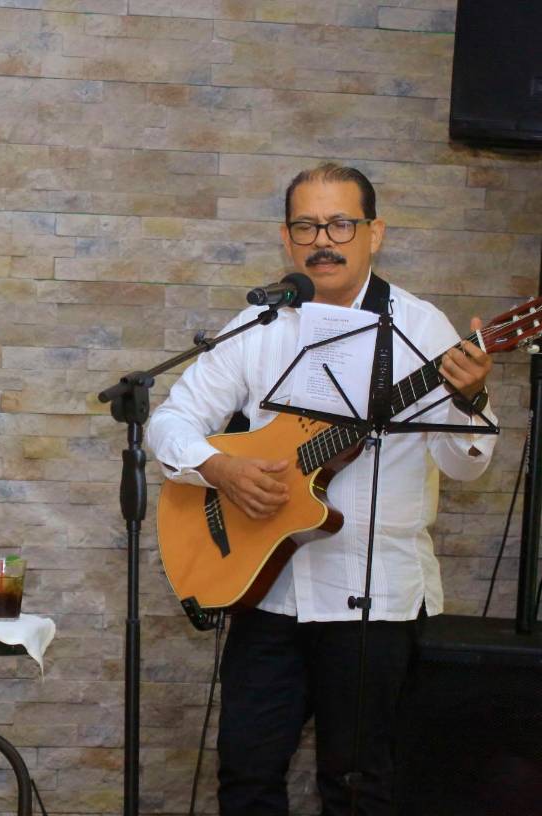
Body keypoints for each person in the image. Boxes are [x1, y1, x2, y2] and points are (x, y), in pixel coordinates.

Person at [146, 163, 496, 815]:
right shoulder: (260, 325)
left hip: (376, 603)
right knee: (246, 778)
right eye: (306, 225)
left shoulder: (421, 329)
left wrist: (470, 398)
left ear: (375, 232)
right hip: (267, 591)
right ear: (286, 237)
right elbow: (169, 420)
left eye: (340, 223)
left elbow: (465, 464)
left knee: (358, 787)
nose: (322, 239)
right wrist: (221, 469)